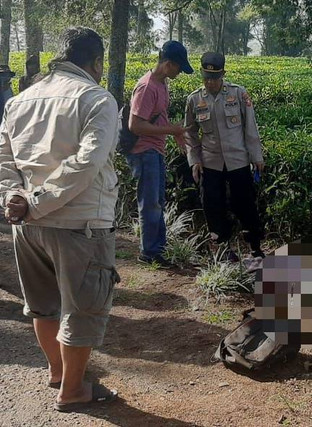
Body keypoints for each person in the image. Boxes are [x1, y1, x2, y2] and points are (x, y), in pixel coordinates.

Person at [0, 27, 119, 412]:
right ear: (96, 61)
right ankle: (72, 391)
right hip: (79, 224)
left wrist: (16, 198)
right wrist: (36, 202)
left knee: (44, 306)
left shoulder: (20, 101)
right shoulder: (97, 99)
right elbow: (86, 163)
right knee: (81, 309)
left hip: (28, 228)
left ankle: (57, 371)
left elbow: (5, 160)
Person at [184, 52, 265, 270]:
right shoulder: (194, 99)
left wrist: (256, 156)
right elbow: (190, 133)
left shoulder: (239, 94)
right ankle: (222, 247)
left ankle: (255, 248)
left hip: (238, 159)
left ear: (223, 74)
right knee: (213, 205)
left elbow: (250, 126)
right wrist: (195, 160)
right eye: (206, 77)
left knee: (245, 203)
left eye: (215, 77)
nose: (210, 82)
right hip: (211, 162)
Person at [127, 40, 193, 267]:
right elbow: (135, 126)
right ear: (168, 64)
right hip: (144, 152)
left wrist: (174, 134)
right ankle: (149, 252)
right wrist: (171, 130)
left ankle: (158, 249)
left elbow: (158, 117)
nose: (179, 72)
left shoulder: (162, 84)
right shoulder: (147, 88)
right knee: (150, 203)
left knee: (158, 201)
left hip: (156, 150)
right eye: (178, 67)